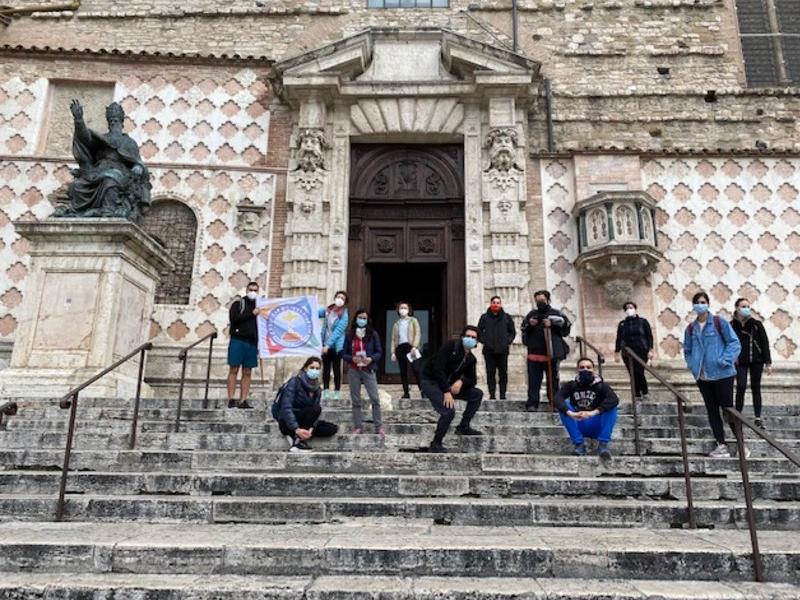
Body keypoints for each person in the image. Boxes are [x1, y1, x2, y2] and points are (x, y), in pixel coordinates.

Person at [683, 291, 742, 458]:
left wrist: (724, 360)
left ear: (708, 304)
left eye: (703, 302)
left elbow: (734, 343)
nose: (700, 305)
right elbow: (687, 350)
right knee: (712, 410)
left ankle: (741, 444)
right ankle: (721, 444)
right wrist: (692, 365)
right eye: (697, 302)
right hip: (702, 376)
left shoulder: (718, 322)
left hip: (722, 374)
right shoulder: (691, 328)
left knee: (728, 409)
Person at [420, 326, 484, 453]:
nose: (470, 339)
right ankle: (436, 443)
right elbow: (438, 369)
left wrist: (461, 381)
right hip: (431, 382)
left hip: (449, 386)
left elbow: (472, 380)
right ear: (462, 337)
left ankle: (463, 426)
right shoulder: (450, 347)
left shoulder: (471, 359)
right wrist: (446, 391)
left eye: (473, 338)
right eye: (468, 336)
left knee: (477, 394)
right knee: (448, 411)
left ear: (477, 342)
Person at [555, 357, 620, 458]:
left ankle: (603, 445)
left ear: (593, 369)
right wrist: (571, 414)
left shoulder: (601, 386)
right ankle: (579, 444)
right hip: (579, 422)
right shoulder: (572, 385)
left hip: (597, 424)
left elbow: (614, 399)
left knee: (612, 407)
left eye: (588, 367)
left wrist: (592, 413)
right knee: (564, 405)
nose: (585, 370)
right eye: (582, 367)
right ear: (577, 369)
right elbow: (557, 398)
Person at [521, 290, 572, 411]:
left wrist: (552, 324)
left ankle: (554, 403)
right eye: (538, 301)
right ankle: (532, 403)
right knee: (533, 381)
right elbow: (523, 328)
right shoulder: (531, 314)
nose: (540, 303)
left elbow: (566, 329)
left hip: (551, 353)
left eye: (542, 300)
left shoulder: (556, 313)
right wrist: (530, 324)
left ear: (548, 300)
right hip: (534, 353)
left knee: (553, 380)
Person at [276, 357, 339, 452]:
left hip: (305, 421)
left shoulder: (317, 389)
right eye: (312, 367)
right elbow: (286, 407)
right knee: (316, 409)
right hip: (288, 422)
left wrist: (311, 428)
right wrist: (296, 429)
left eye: (317, 368)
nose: (314, 370)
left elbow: (314, 416)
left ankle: (299, 436)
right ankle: (298, 440)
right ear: (305, 368)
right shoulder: (295, 382)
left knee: (331, 428)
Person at [341, 308, 385, 437]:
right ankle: (357, 426)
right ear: (356, 319)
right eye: (360, 318)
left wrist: (371, 359)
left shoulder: (373, 334)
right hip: (354, 370)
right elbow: (343, 353)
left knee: (375, 398)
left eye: (364, 318)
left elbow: (379, 351)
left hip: (368, 369)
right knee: (356, 400)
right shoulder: (349, 335)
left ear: (367, 320)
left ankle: (379, 426)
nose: (362, 320)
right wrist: (352, 358)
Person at [731, 298, 772, 429]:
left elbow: (764, 343)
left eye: (748, 306)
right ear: (737, 308)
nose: (746, 309)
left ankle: (758, 418)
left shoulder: (756, 324)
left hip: (756, 360)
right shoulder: (731, 325)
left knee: (756, 387)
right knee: (741, 386)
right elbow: (728, 343)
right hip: (740, 361)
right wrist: (731, 357)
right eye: (743, 306)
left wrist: (768, 362)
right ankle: (737, 415)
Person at [226, 281, 260, 409]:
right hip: (238, 340)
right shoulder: (238, 304)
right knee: (234, 369)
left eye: (255, 290)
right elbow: (234, 319)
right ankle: (231, 398)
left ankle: (243, 400)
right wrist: (252, 314)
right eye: (251, 290)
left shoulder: (260, 306)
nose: (253, 292)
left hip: (252, 342)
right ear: (246, 290)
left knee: (247, 371)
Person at [614, 301, 655, 400]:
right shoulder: (622, 324)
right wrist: (617, 352)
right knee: (632, 373)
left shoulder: (643, 322)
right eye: (627, 308)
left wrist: (650, 350)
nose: (629, 309)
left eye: (631, 307)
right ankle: (636, 394)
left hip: (641, 350)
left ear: (635, 308)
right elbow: (619, 338)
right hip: (627, 352)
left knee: (639, 371)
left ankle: (644, 391)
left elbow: (649, 336)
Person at [477, 296, 516, 400]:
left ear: (500, 304)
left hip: (503, 351)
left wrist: (507, 341)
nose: (495, 304)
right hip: (488, 351)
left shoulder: (507, 317)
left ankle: (503, 394)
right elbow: (479, 332)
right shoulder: (484, 317)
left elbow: (512, 332)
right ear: (490, 304)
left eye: (498, 303)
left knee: (503, 373)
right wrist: (485, 341)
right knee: (490, 373)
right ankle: (492, 395)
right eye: (494, 302)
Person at [319, 291, 349, 400]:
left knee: (336, 369)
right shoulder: (328, 310)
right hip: (325, 344)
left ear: (345, 302)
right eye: (338, 297)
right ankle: (326, 390)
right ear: (335, 297)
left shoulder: (344, 315)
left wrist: (328, 345)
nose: (340, 299)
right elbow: (315, 313)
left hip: (336, 347)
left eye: (342, 298)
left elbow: (338, 332)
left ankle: (337, 392)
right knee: (326, 369)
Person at [390, 301, 423, 399]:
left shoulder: (413, 320)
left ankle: (423, 391)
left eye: (405, 308)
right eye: (401, 308)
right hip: (400, 348)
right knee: (403, 371)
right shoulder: (396, 324)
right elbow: (393, 339)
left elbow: (417, 333)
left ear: (409, 310)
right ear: (398, 310)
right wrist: (393, 352)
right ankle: (406, 393)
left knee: (416, 369)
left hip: (411, 347)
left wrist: (414, 346)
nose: (403, 310)